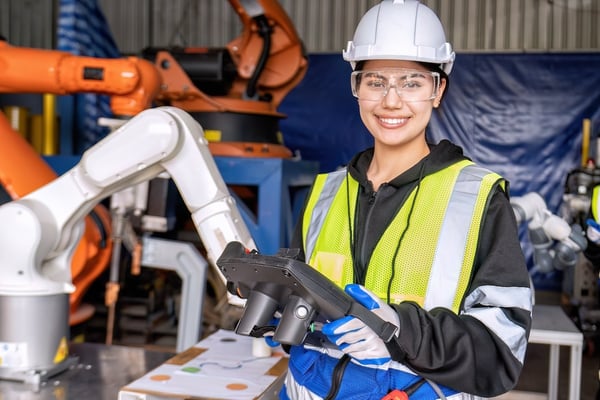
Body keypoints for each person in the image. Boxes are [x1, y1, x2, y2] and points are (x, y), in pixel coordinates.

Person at [275, 1, 533, 399]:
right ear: (356, 87)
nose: (391, 101)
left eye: (411, 82)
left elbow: (500, 352)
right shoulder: (325, 192)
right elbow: (300, 297)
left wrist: (397, 329)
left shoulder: (478, 198)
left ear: (438, 89)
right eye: (375, 81)